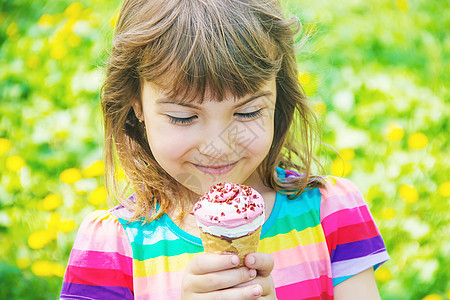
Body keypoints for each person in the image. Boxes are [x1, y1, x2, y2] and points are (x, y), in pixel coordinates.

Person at [60, 0, 389, 299]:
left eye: (247, 113)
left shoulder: (332, 213)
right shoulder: (111, 249)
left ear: (278, 99)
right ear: (137, 107)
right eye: (184, 116)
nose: (217, 146)